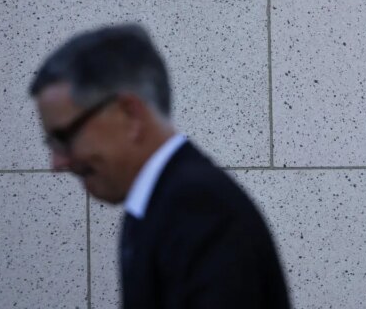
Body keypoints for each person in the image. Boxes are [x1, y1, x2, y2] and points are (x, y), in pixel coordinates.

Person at [29, 23, 291, 309]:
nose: (58, 162)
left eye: (65, 137)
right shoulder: (162, 205)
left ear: (130, 114)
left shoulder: (198, 209)